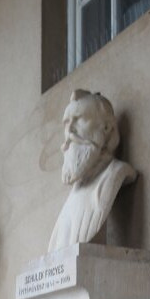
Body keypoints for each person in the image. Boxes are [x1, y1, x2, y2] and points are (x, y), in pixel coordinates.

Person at [47, 89, 137, 252]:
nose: (70, 131)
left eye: (79, 120)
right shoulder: (74, 194)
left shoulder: (115, 173)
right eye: (66, 123)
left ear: (106, 128)